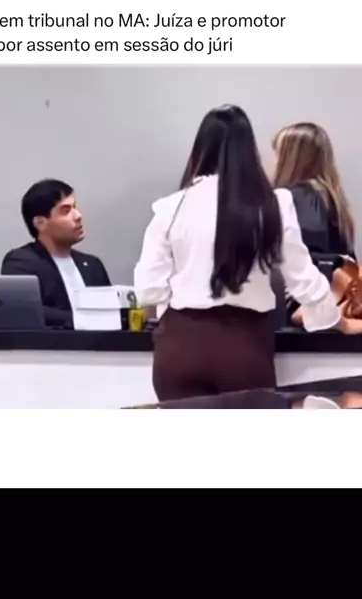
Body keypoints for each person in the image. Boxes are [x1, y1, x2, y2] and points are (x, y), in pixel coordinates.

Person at [134, 105, 349, 402]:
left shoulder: (169, 207)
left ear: (200, 149)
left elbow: (148, 290)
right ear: (250, 152)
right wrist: (332, 317)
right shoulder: (275, 204)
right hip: (244, 346)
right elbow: (303, 280)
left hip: (179, 347)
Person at [1, 179, 110, 328]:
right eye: (66, 211)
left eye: (75, 207)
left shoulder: (92, 265)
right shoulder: (21, 262)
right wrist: (84, 319)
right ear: (40, 223)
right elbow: (25, 311)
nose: (78, 216)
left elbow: (111, 313)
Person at [272, 122, 355, 258]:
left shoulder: (300, 198)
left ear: (291, 160)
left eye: (278, 154)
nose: (274, 162)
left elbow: (305, 253)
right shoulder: (330, 198)